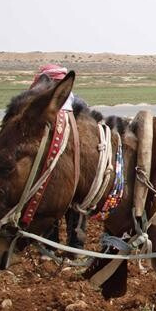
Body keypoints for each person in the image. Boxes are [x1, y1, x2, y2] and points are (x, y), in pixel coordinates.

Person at [30, 64, 88, 252]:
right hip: (60, 165)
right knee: (53, 204)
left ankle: (73, 247)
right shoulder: (45, 106)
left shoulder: (77, 106)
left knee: (71, 207)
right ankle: (57, 247)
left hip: (69, 163)